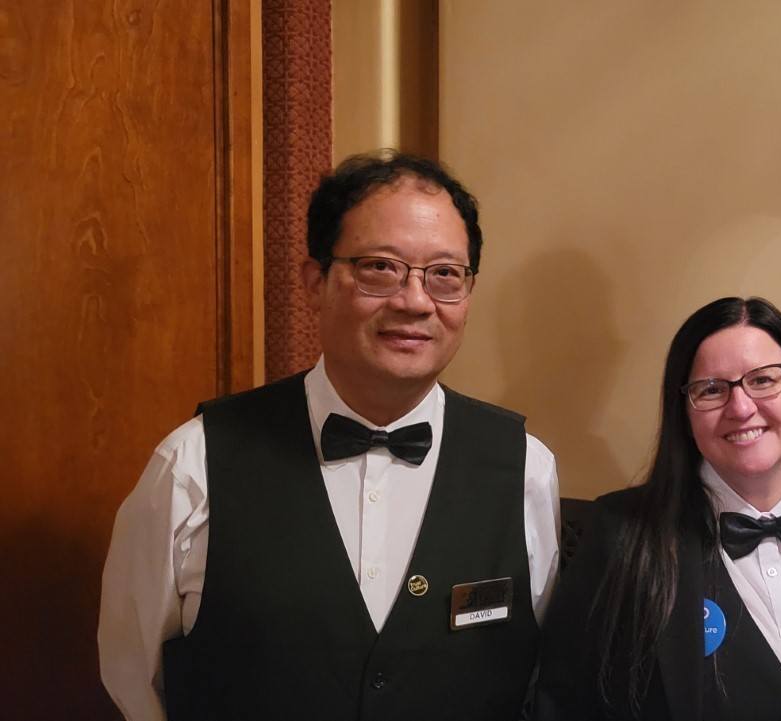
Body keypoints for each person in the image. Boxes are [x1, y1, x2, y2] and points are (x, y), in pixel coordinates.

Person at [98, 151, 561, 721]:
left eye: (444, 275)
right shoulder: (194, 463)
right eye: (380, 267)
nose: (414, 301)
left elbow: (539, 673)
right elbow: (133, 677)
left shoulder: (525, 468)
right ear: (316, 281)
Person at [530, 297, 781, 721]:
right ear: (684, 411)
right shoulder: (621, 534)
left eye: (762, 380)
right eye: (712, 389)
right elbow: (564, 702)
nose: (741, 408)